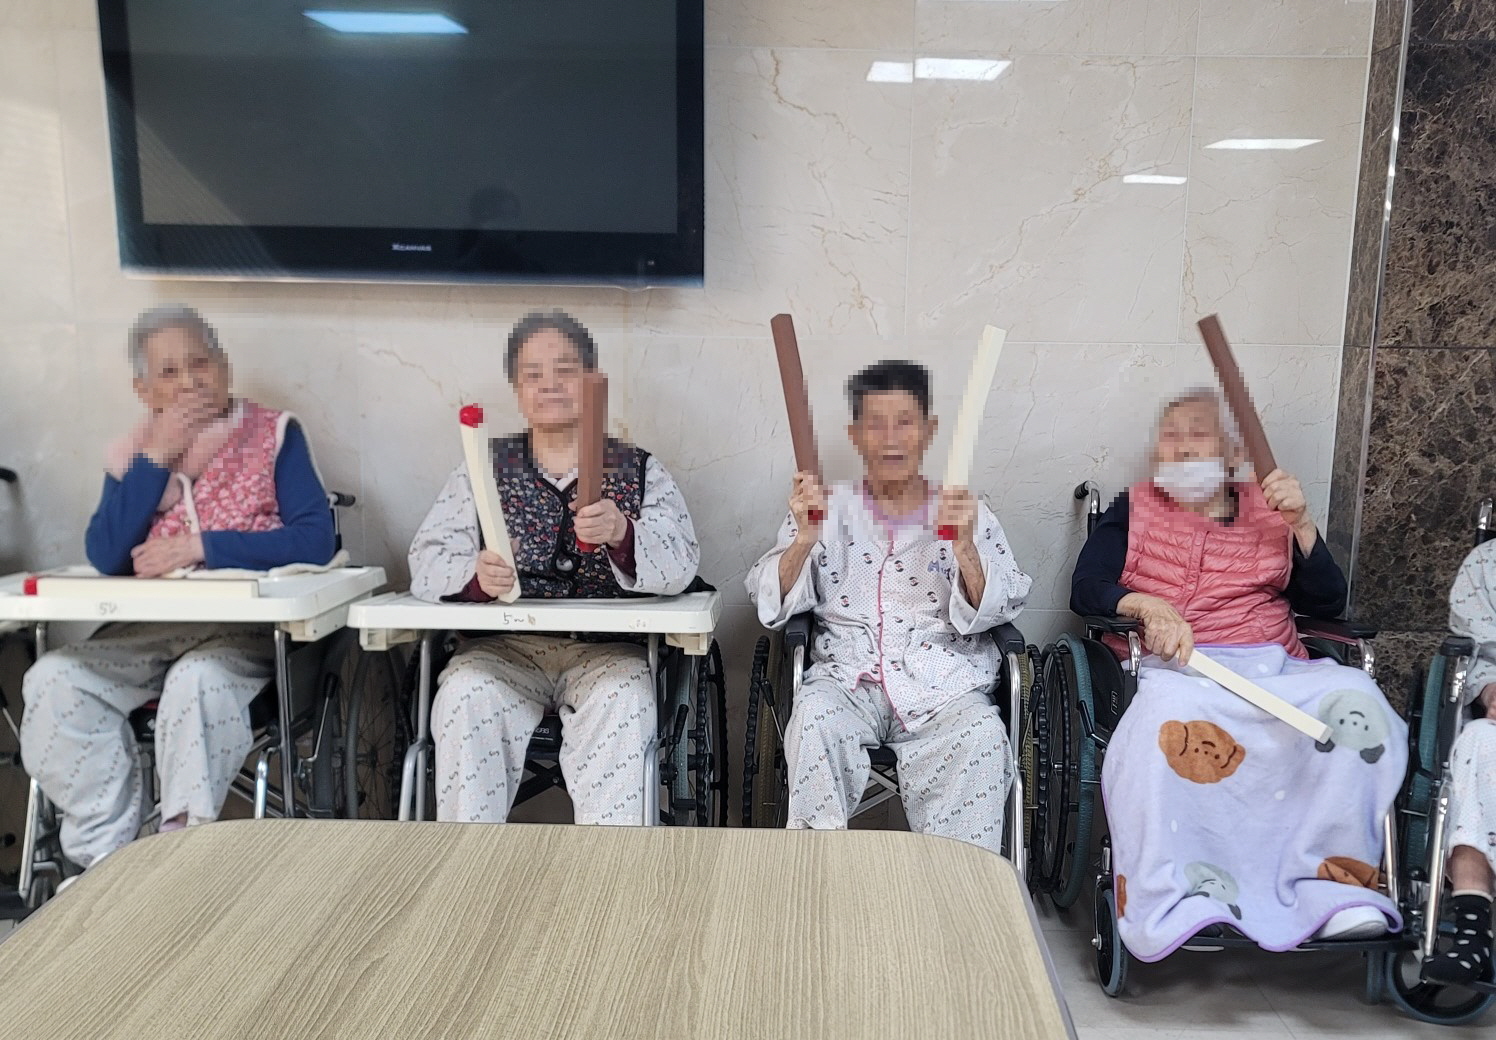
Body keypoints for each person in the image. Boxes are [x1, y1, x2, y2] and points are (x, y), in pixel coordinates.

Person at [1071, 388, 1406, 958]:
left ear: (1230, 453)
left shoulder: (1270, 508)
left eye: (1197, 434)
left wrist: (1302, 525)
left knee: (1355, 695)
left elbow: (1328, 602)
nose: (1181, 447)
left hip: (1273, 665)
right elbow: (1087, 589)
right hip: (1179, 668)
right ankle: (1188, 894)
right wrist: (1146, 606)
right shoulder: (1135, 507)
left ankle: (1335, 890)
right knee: (1167, 717)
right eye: (1170, 437)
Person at [20, 305, 336, 869]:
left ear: (225, 367)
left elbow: (316, 539)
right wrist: (158, 457)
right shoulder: (135, 454)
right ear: (143, 390)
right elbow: (106, 554)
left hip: (243, 633)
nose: (191, 381)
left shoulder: (272, 433)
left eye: (201, 363)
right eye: (170, 372)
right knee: (55, 679)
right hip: (148, 631)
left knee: (198, 680)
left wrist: (202, 547)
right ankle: (102, 861)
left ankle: (179, 858)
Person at [408, 310, 699, 825]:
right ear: (517, 390)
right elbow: (427, 560)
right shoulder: (484, 467)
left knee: (625, 702)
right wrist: (476, 578)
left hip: (609, 653)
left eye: (565, 370)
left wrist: (623, 534)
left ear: (591, 381)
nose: (549, 384)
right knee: (463, 694)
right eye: (532, 374)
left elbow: (682, 560)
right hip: (504, 651)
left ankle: (610, 870)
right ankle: (466, 863)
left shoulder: (635, 468)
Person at [745, 360, 1031, 854]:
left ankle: (960, 890)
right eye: (876, 423)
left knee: (983, 736)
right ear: (855, 434)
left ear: (929, 430)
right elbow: (768, 598)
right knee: (812, 720)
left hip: (943, 686)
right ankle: (817, 880)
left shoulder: (965, 510)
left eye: (905, 422)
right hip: (846, 680)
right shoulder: (826, 509)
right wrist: (804, 539)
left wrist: (965, 549)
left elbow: (1005, 602)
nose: (892, 437)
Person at [1425, 542, 1496, 984]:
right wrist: (1490, 691)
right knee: (1477, 742)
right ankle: (1473, 933)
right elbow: (1475, 655)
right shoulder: (1486, 564)